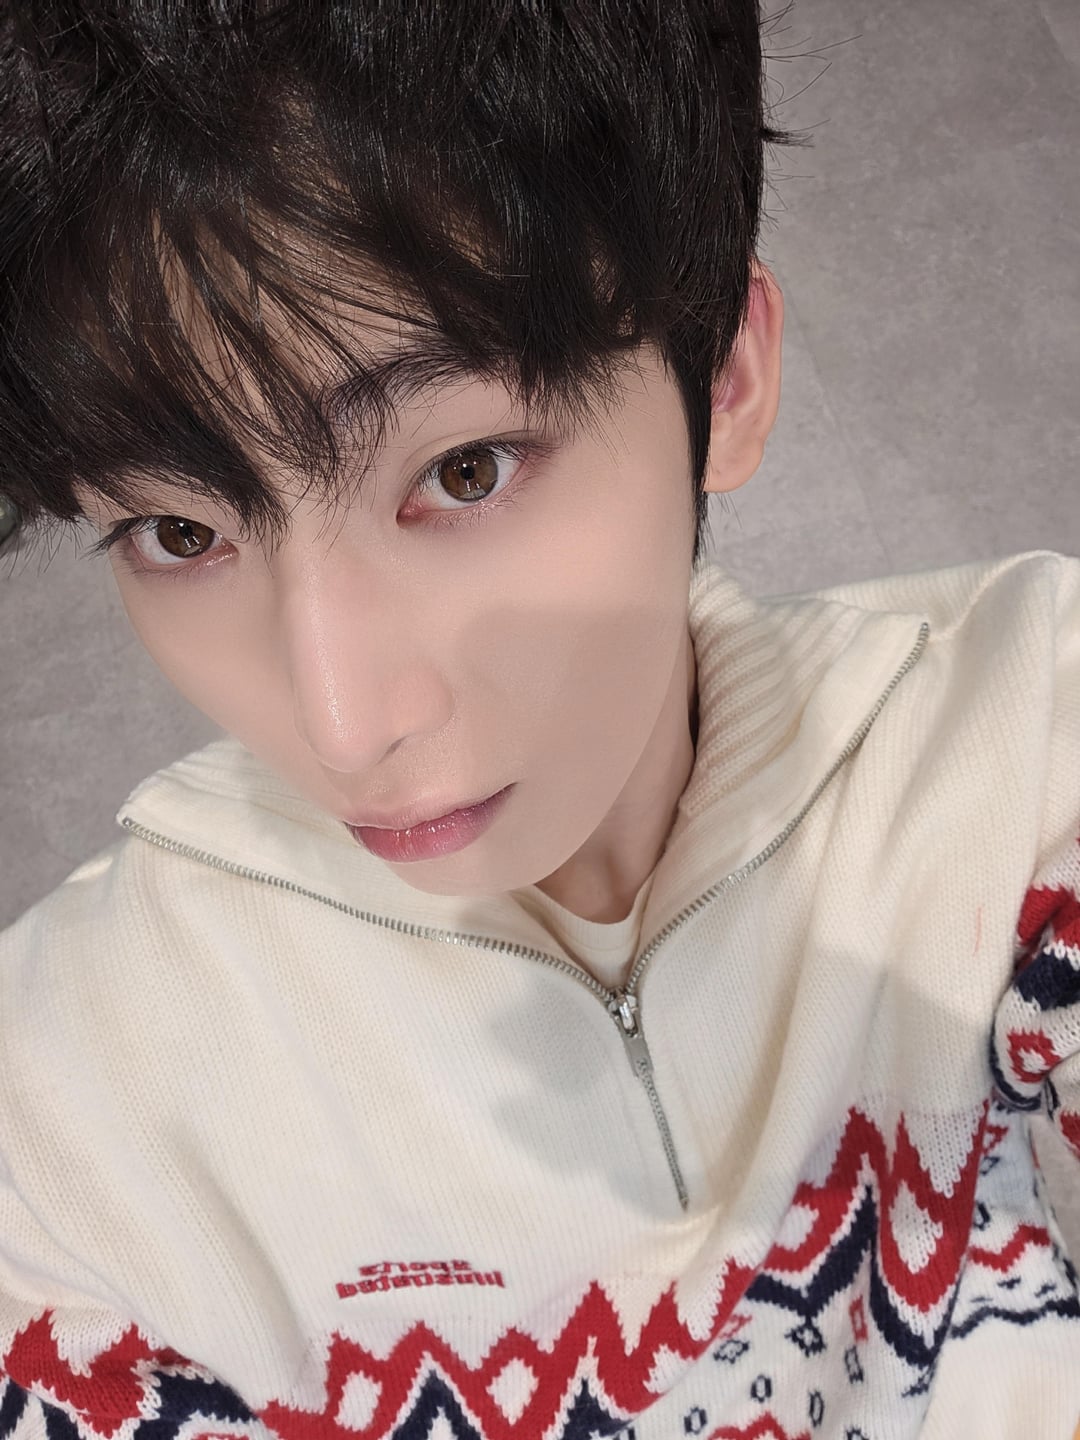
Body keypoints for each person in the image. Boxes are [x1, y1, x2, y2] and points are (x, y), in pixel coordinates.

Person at [0, 1, 1078, 1436]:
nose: (345, 722)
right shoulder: (59, 1116)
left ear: (725, 377)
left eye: (465, 470)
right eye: (180, 534)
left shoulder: (1032, 745)